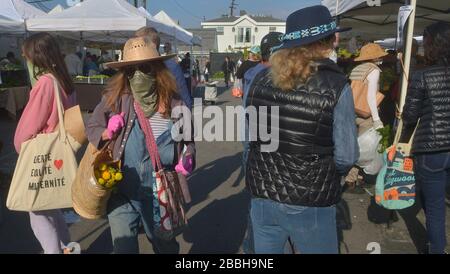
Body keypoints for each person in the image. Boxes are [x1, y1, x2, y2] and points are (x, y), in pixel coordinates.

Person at [245, 5, 358, 254]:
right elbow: (346, 156)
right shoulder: (337, 85)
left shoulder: (261, 79)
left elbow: (254, 139)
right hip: (309, 197)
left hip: (263, 195)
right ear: (327, 41)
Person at [86, 36, 195, 254]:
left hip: (158, 192)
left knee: (164, 246)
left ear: (157, 69)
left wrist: (188, 156)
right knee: (123, 247)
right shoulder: (116, 98)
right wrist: (106, 131)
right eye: (130, 70)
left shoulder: (175, 102)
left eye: (144, 68)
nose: (138, 75)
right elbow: (92, 126)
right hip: (122, 189)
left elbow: (188, 139)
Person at [14, 32, 77, 254]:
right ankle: (66, 248)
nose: (26, 58)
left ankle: (54, 251)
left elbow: (27, 128)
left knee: (37, 211)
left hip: (42, 156)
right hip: (58, 153)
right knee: (52, 206)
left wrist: (20, 146)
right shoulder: (63, 80)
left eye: (27, 54)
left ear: (36, 55)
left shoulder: (45, 83)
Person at [400, 22, 450, 254]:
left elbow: (410, 117)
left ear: (431, 44)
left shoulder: (423, 75)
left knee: (435, 208)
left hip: (432, 149)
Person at [345, 43, 388, 189]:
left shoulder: (357, 69)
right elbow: (371, 96)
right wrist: (376, 119)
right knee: (365, 147)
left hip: (353, 111)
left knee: (355, 144)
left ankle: (353, 178)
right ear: (375, 57)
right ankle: (354, 178)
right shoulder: (374, 70)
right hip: (366, 114)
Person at [135, 27, 193, 109]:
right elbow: (186, 101)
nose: (134, 49)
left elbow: (185, 100)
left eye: (137, 46)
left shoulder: (171, 67)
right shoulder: (131, 69)